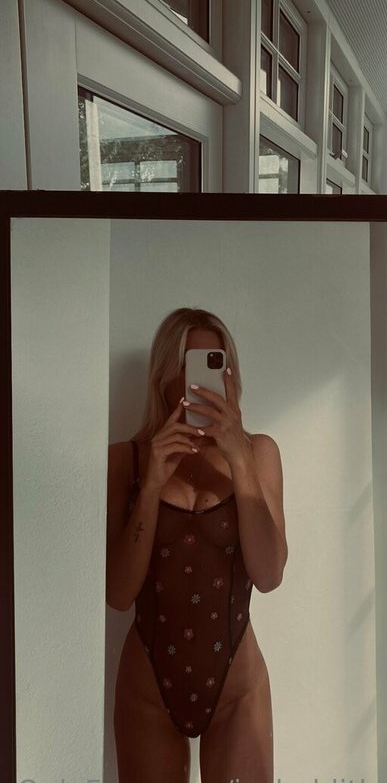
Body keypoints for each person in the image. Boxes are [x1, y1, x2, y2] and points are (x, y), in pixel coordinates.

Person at [106, 307, 287, 783]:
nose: (202, 382)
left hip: (237, 689)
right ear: (165, 375)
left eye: (215, 364)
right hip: (147, 688)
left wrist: (238, 460)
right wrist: (150, 486)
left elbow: (269, 575)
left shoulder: (260, 453)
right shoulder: (125, 461)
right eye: (189, 365)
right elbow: (118, 594)